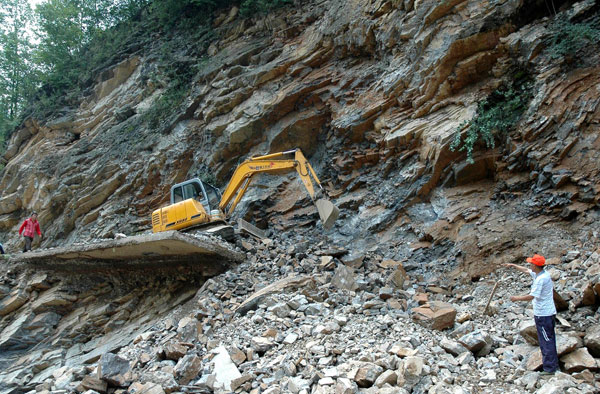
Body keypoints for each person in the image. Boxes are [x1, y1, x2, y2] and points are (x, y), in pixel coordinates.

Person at [504, 254, 559, 375]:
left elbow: (532, 296)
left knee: (546, 341)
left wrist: (516, 298)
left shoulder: (541, 280)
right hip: (547, 313)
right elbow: (525, 270)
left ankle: (550, 369)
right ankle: (554, 365)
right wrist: (513, 265)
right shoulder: (541, 274)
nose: (529, 265)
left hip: (543, 314)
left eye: (531, 263)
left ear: (536, 265)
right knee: (549, 338)